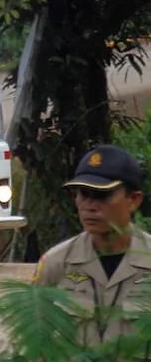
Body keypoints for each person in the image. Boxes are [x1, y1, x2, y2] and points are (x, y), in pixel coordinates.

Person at [31, 144, 151, 344]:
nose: (90, 206)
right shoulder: (57, 263)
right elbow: (34, 340)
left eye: (102, 195)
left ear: (133, 200)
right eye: (84, 194)